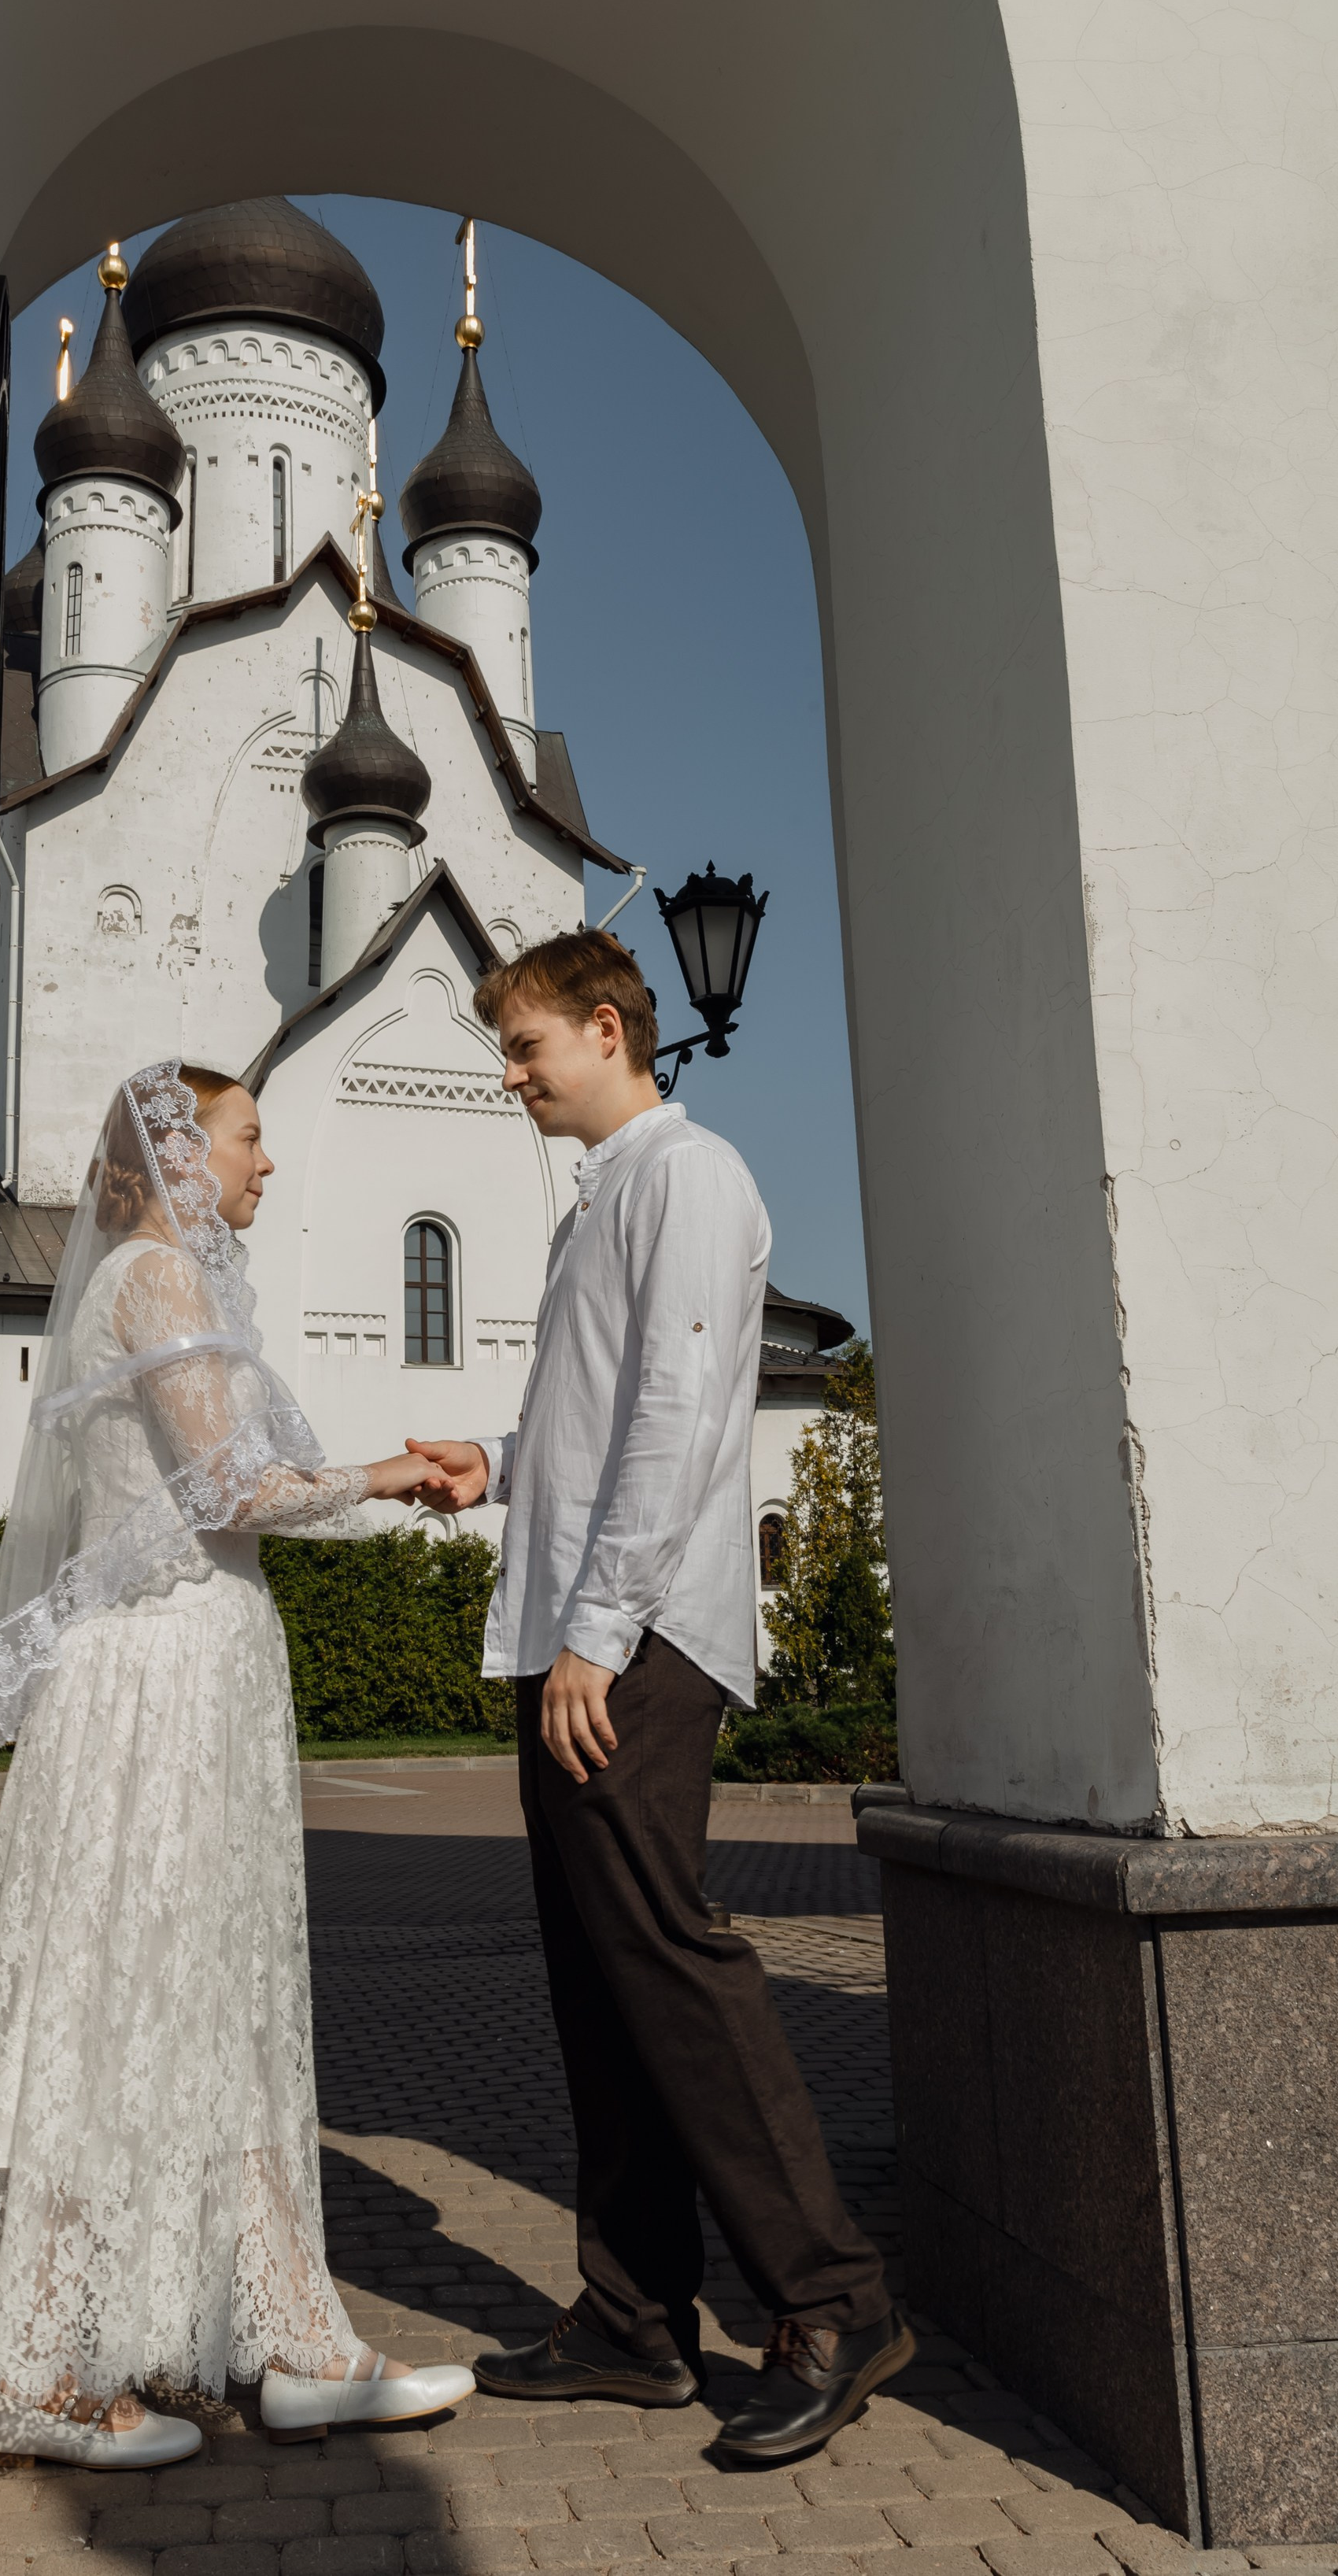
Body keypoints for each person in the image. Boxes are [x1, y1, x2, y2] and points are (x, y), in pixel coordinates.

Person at [0, 1059, 475, 2463]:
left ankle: (288, 2339)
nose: (265, 1164)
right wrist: (403, 1476)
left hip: (197, 1680)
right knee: (121, 2005)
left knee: (220, 2004)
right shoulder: (153, 1276)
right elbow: (232, 1491)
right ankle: (43, 2374)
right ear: (177, 1153)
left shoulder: (165, 1282)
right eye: (248, 1137)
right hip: (153, 1683)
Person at [407, 933, 911, 2464]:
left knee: (671, 1961)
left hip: (633, 1644)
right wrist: (493, 1464)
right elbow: (596, 1407)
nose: (510, 1075)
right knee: (599, 1974)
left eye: (526, 1046)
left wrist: (603, 1627)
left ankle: (834, 2297)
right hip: (574, 1627)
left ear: (610, 1028)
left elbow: (688, 1412)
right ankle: (635, 2318)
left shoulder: (688, 1177)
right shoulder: (604, 1203)